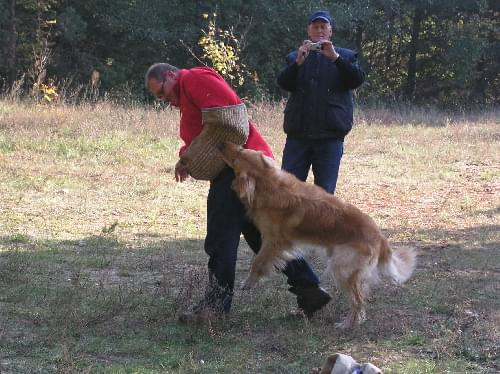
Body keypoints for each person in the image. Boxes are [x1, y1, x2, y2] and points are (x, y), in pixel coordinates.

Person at [145, 63, 332, 322]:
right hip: (240, 168)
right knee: (260, 235)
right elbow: (203, 136)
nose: (164, 100)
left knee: (220, 238)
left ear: (170, 75)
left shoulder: (195, 79)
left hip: (239, 169)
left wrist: (195, 157)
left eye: (162, 92)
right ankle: (309, 289)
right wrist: (186, 159)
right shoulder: (187, 96)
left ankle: (215, 308)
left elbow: (232, 123)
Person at [278, 10, 365, 194]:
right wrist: (297, 64)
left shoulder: (346, 57)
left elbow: (357, 80)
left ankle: (321, 225)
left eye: (323, 27)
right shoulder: (295, 57)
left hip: (329, 138)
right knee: (287, 193)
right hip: (298, 137)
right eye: (315, 27)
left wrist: (335, 58)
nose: (319, 31)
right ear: (309, 31)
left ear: (330, 31)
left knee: (324, 197)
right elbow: (283, 83)